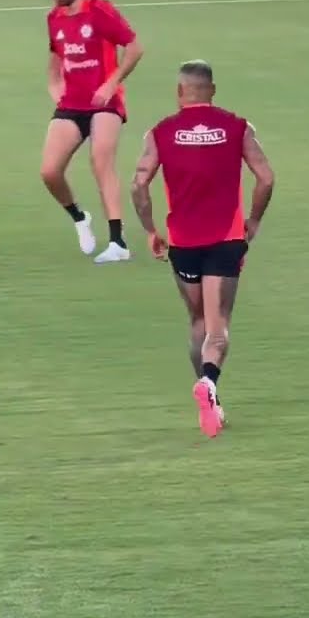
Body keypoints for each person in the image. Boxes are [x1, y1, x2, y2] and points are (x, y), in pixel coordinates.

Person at [130, 59, 275, 437]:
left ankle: (209, 396)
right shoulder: (238, 127)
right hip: (226, 239)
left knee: (197, 322)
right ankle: (209, 385)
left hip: (183, 242)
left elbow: (138, 185)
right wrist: (255, 219)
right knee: (219, 325)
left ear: (180, 93)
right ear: (212, 90)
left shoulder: (160, 133)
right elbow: (266, 177)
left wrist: (150, 231)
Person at [41, 0, 143, 263]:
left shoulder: (99, 11)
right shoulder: (54, 18)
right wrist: (54, 85)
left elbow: (135, 47)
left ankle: (117, 242)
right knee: (49, 172)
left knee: (100, 160)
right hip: (72, 104)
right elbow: (56, 58)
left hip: (105, 103)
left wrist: (112, 84)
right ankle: (79, 218)